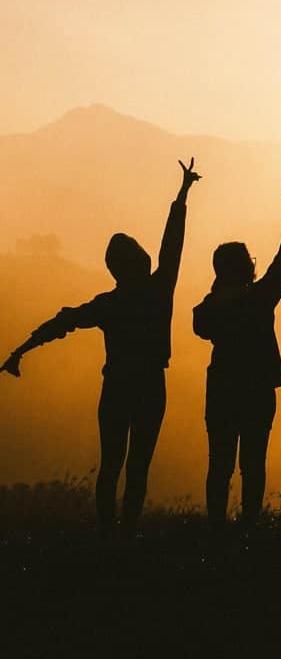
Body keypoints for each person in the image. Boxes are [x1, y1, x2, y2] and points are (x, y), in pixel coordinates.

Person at [0, 158, 201, 536]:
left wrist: (20, 351)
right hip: (151, 386)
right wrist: (183, 194)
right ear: (140, 261)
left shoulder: (108, 305)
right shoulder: (159, 291)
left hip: (117, 387)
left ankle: (109, 532)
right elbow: (172, 244)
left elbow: (62, 322)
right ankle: (127, 531)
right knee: (138, 464)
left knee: (112, 463)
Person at [193, 183, 281, 529]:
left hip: (222, 386)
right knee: (253, 462)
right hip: (257, 387)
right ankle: (250, 523)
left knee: (219, 463)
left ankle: (216, 525)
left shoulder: (208, 306)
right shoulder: (259, 298)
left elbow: (201, 328)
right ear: (246, 267)